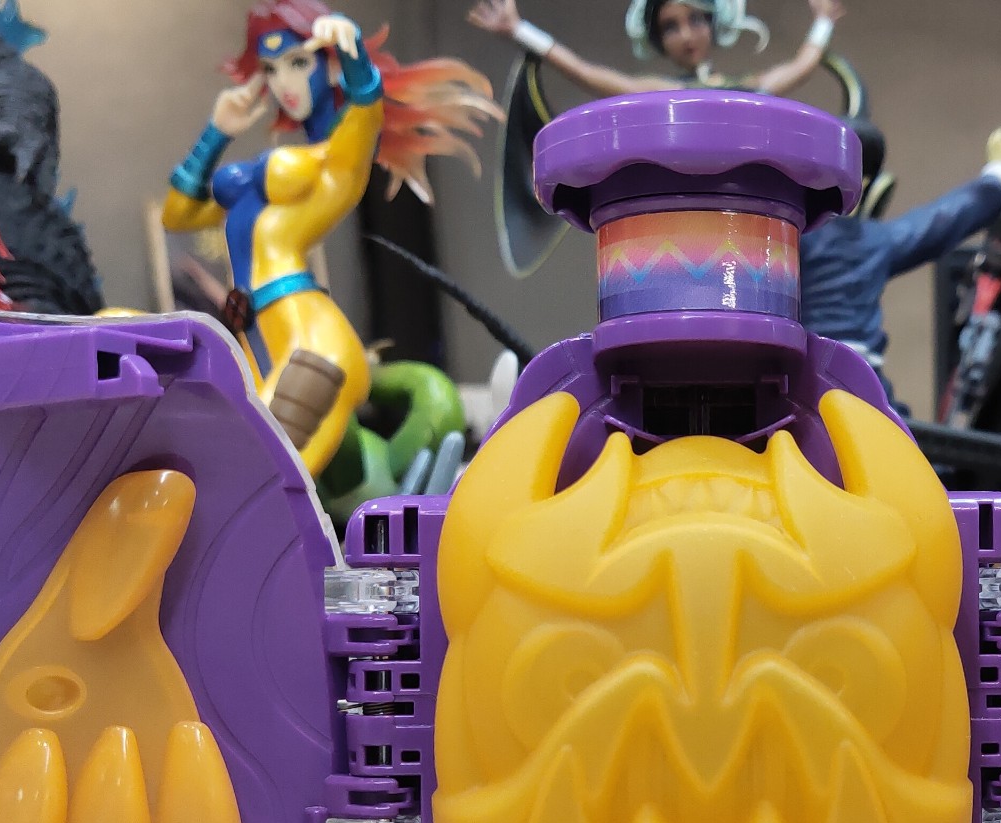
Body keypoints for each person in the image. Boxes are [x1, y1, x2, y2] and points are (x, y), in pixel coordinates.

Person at [163, 2, 496, 476]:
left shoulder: (334, 163)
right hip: (259, 340)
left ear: (330, 66)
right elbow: (179, 215)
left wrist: (354, 53)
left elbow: (365, 116)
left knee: (258, 476)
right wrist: (217, 132)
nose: (284, 82)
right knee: (231, 469)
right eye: (272, 69)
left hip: (313, 346)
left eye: (298, 63)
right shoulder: (259, 178)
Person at [799, 120, 1001, 414]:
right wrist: (1000, 180)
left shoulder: (793, 236)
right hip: (858, 389)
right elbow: (941, 221)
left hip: (802, 383)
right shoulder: (869, 241)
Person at [466, 0, 844, 95]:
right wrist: (520, 30)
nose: (687, 35)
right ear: (659, 39)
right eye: (671, 27)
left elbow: (800, 68)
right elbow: (584, 72)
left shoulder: (747, 89)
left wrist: (824, 21)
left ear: (713, 24)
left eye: (696, 20)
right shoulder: (658, 92)